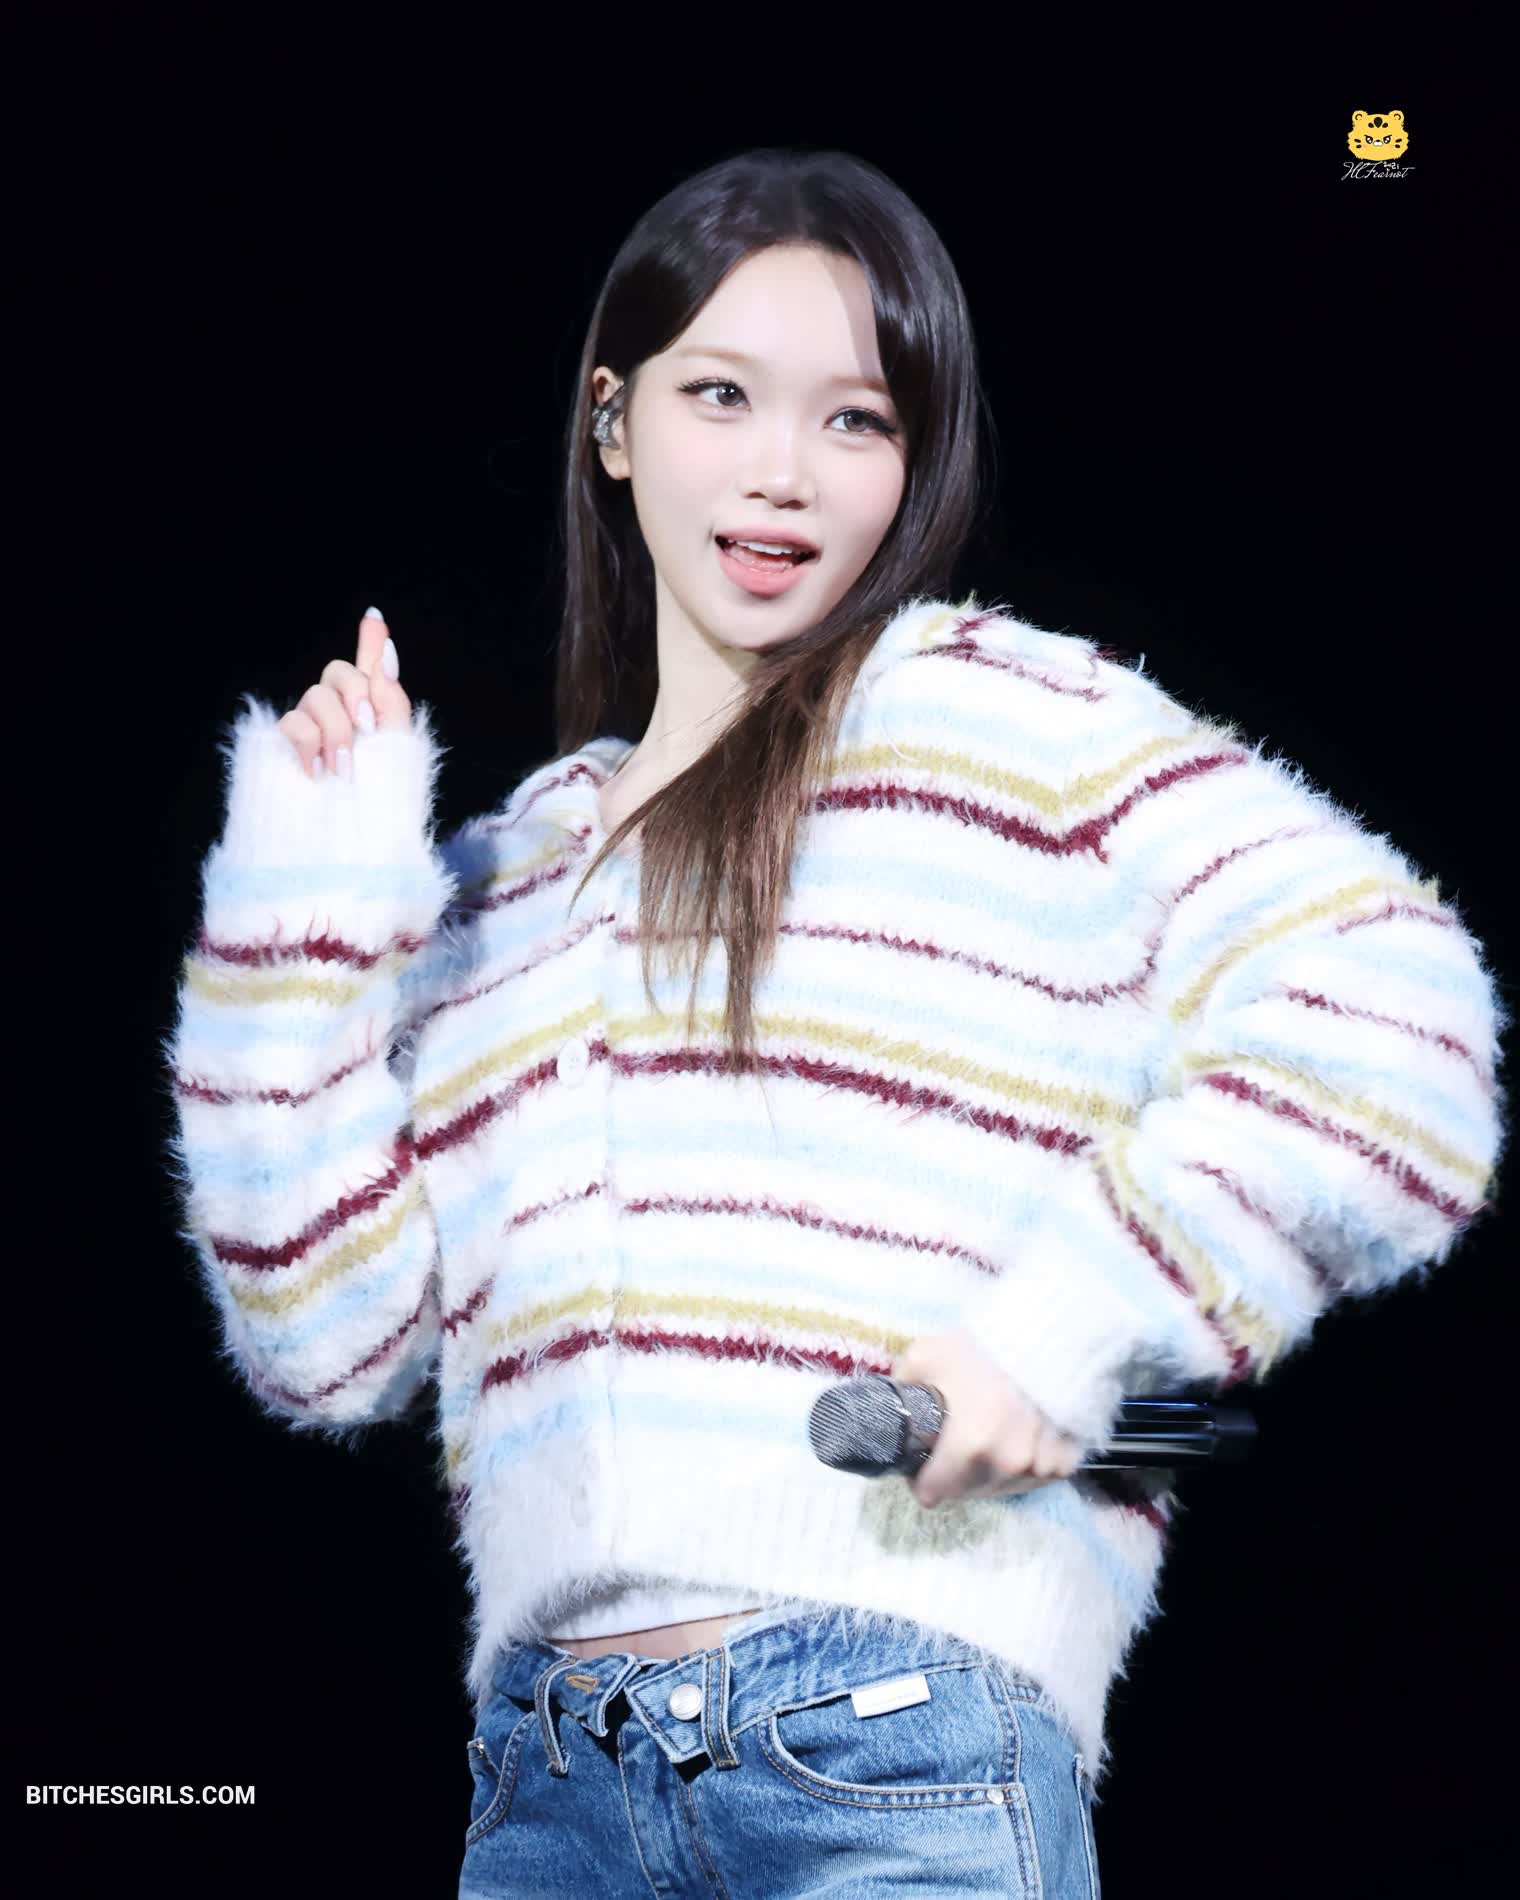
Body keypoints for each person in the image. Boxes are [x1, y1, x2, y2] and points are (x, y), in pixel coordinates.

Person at [161, 147, 1509, 1898]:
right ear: (613, 421)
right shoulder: (507, 875)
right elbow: (324, 1344)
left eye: (857, 420)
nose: (783, 471)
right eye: (721, 395)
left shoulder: (990, 719)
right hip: (550, 1788)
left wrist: (1062, 1333)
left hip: (891, 1752)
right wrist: (306, 882)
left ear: (910, 464)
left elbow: (1404, 1029)